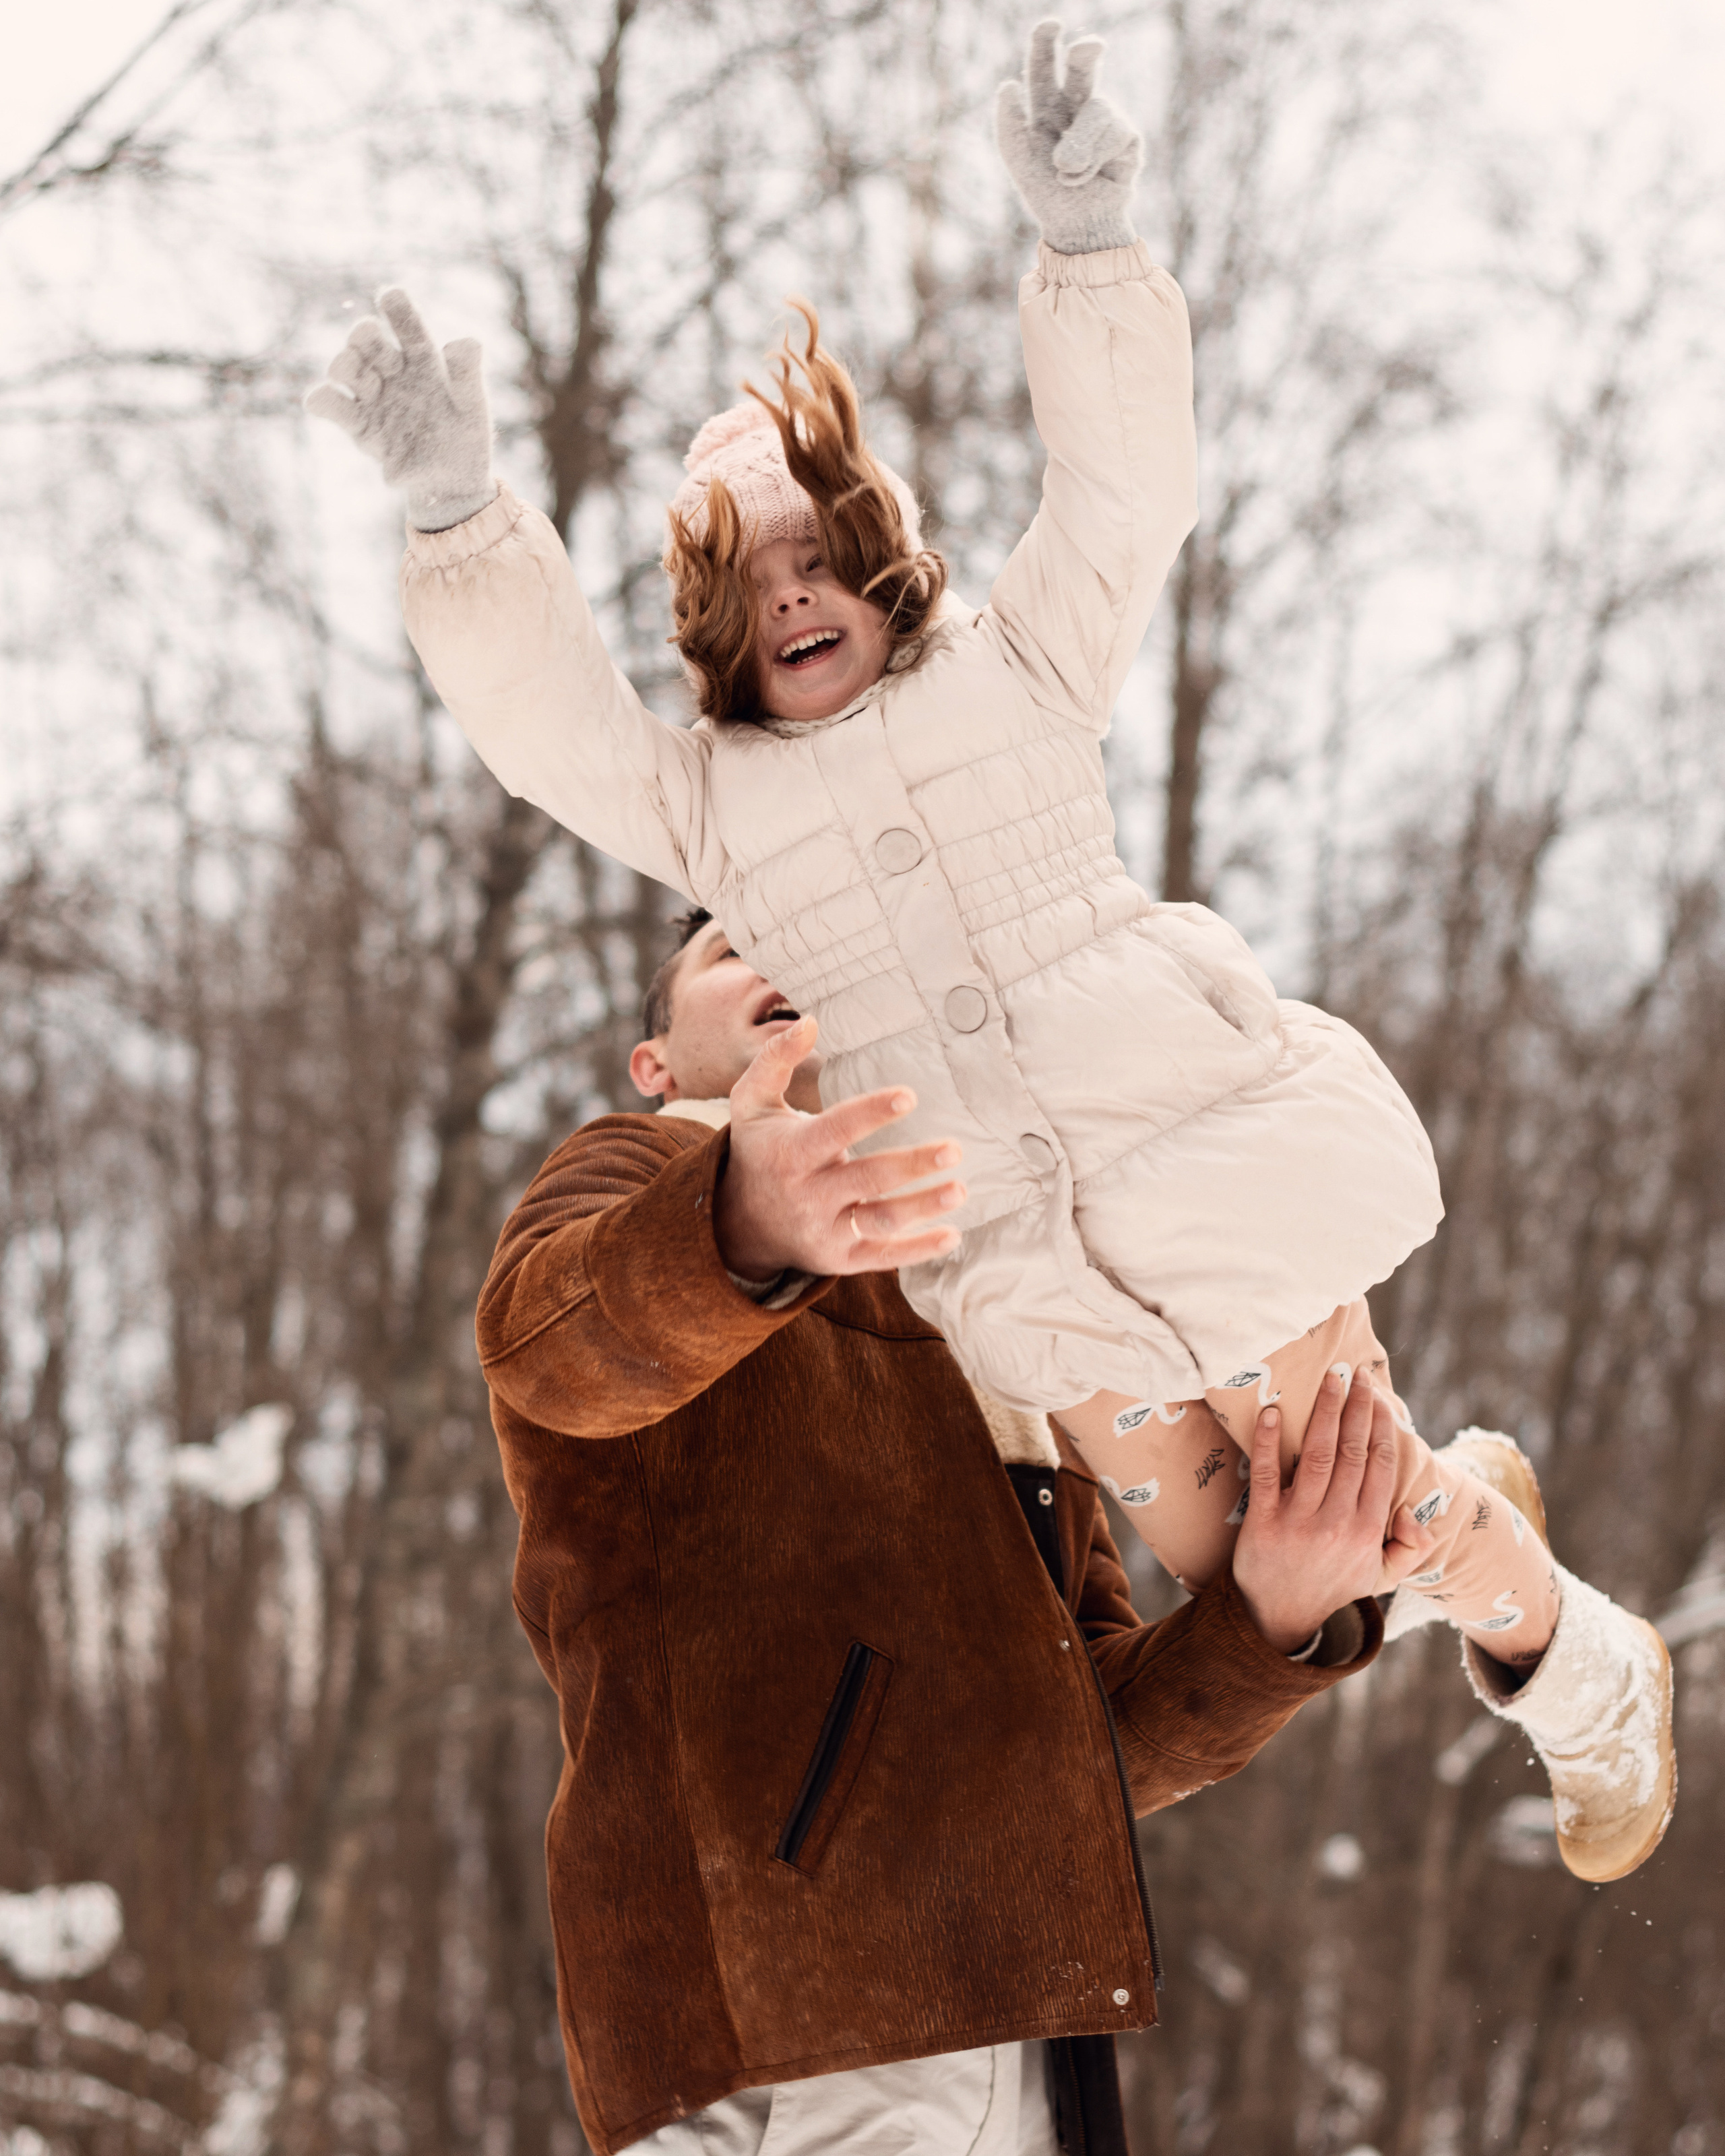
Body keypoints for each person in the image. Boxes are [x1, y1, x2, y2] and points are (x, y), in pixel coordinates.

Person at [304, 22, 1672, 1882]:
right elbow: (554, 731)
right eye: (744, 578)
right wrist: (463, 520)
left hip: (1203, 1152)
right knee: (1239, 1556)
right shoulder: (711, 810)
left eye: (815, 555)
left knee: (1359, 1494)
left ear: (880, 560)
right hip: (1026, 1259)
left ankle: (1569, 1658)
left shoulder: (1017, 671)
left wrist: (1089, 248)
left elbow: (1119, 495)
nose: (790, 595)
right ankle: (1476, 1544)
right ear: (712, 627)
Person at [476, 900, 1430, 2156]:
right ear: (658, 1064)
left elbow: (1079, 1759)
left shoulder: (1005, 1309)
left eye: (821, 939)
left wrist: (1273, 1624)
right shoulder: (631, 1172)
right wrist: (744, 1220)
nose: (785, 957)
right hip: (746, 2001)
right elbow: (546, 1352)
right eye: (731, 947)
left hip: (976, 1987)